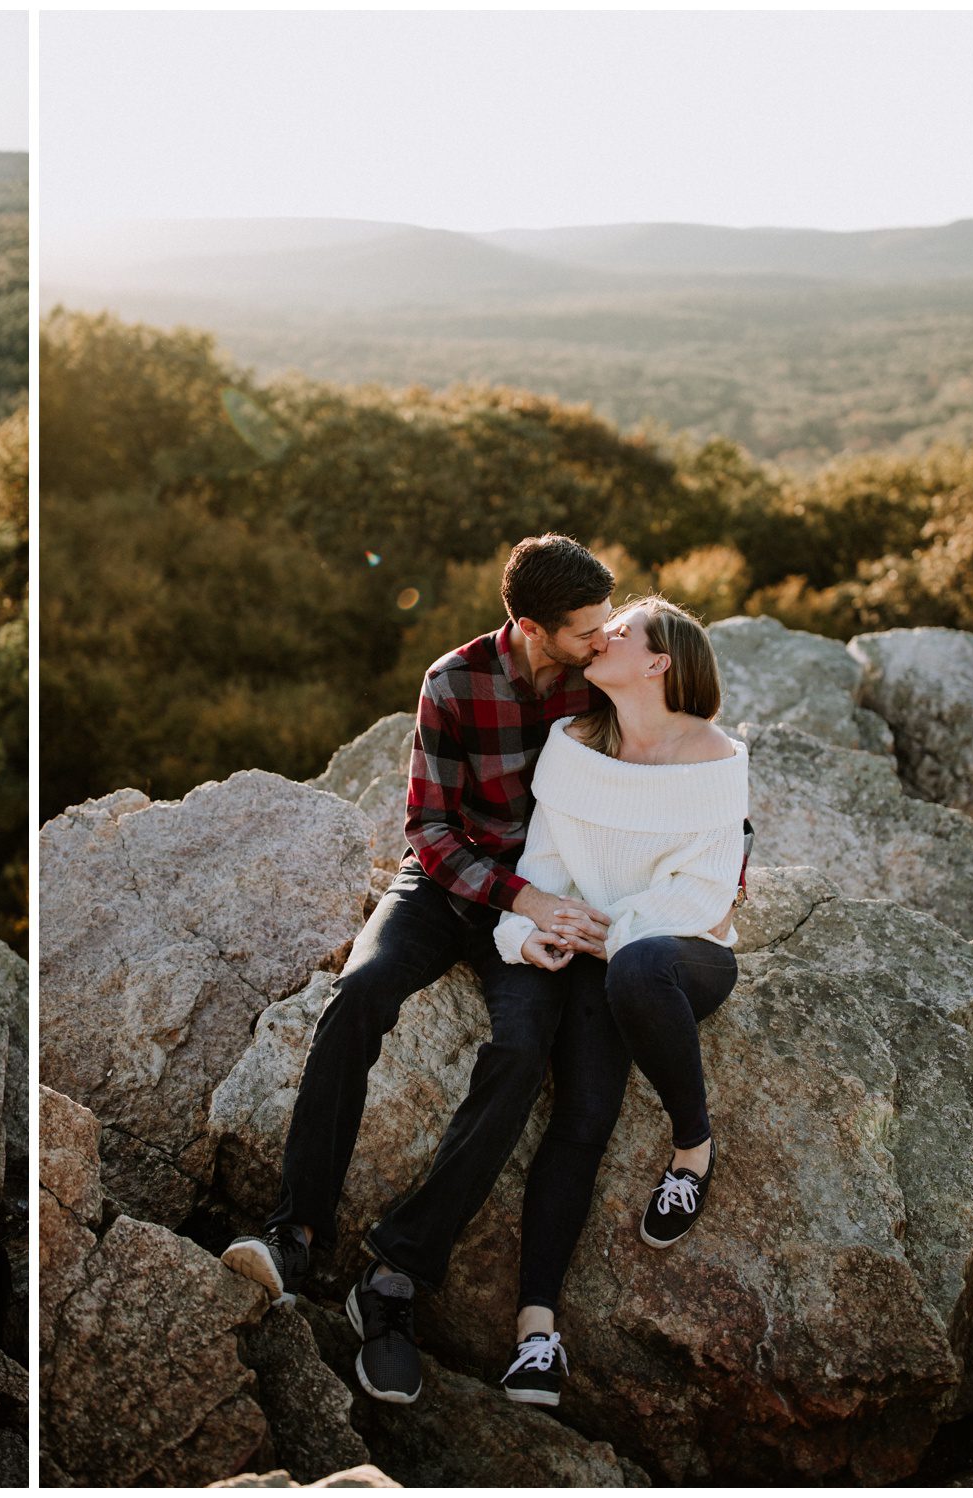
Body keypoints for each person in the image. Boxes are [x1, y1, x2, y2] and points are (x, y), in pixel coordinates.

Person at [222, 533, 616, 1406]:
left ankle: (396, 1276)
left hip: (542, 899)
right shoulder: (454, 682)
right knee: (359, 992)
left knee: (520, 1057)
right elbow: (429, 832)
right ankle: (294, 1233)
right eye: (587, 628)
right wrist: (514, 898)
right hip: (450, 886)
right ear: (529, 625)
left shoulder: (607, 678)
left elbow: (671, 756)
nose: (604, 638)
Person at [490, 596, 747, 1408]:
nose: (603, 639)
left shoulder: (717, 758)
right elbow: (548, 864)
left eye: (622, 632)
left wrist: (619, 935)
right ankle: (537, 1337)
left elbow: (705, 895)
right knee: (581, 1116)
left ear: (659, 663)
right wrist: (534, 934)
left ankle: (692, 1148)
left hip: (681, 955)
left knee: (638, 970)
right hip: (599, 953)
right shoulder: (573, 746)